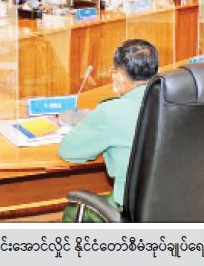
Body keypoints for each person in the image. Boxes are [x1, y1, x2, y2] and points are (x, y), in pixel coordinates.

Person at [59, 39, 159, 212]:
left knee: (71, 212)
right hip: (177, 203)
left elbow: (68, 151)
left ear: (118, 75)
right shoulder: (176, 101)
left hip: (133, 208)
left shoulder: (112, 111)